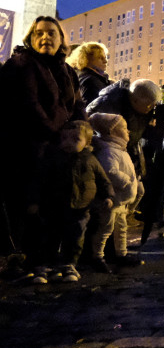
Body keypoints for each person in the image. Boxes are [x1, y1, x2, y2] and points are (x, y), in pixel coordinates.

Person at [0, 16, 87, 279]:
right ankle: (31, 262)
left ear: (61, 38)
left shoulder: (67, 70)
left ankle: (52, 260)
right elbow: (28, 104)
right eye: (39, 33)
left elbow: (77, 106)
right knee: (30, 207)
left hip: (60, 150)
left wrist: (82, 131)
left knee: (57, 205)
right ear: (30, 38)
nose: (45, 37)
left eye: (51, 33)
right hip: (28, 148)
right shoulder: (21, 64)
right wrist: (55, 132)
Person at [39, 120, 112, 282]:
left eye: (75, 139)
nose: (67, 143)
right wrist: (35, 201)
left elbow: (102, 180)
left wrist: (108, 196)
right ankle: (48, 264)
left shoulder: (90, 160)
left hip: (81, 206)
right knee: (52, 234)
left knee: (76, 236)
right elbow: (42, 181)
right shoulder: (54, 158)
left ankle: (69, 264)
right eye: (64, 138)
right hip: (56, 205)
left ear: (87, 142)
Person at [89, 112, 143, 269]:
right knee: (106, 229)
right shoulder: (108, 151)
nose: (128, 132)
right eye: (124, 128)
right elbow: (110, 171)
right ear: (112, 132)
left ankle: (122, 254)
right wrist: (127, 181)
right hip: (113, 200)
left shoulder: (119, 150)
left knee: (121, 228)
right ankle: (97, 256)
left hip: (121, 201)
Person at [67, 42, 111, 106]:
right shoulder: (89, 81)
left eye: (105, 57)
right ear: (86, 59)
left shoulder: (97, 78)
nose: (105, 61)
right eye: (100, 58)